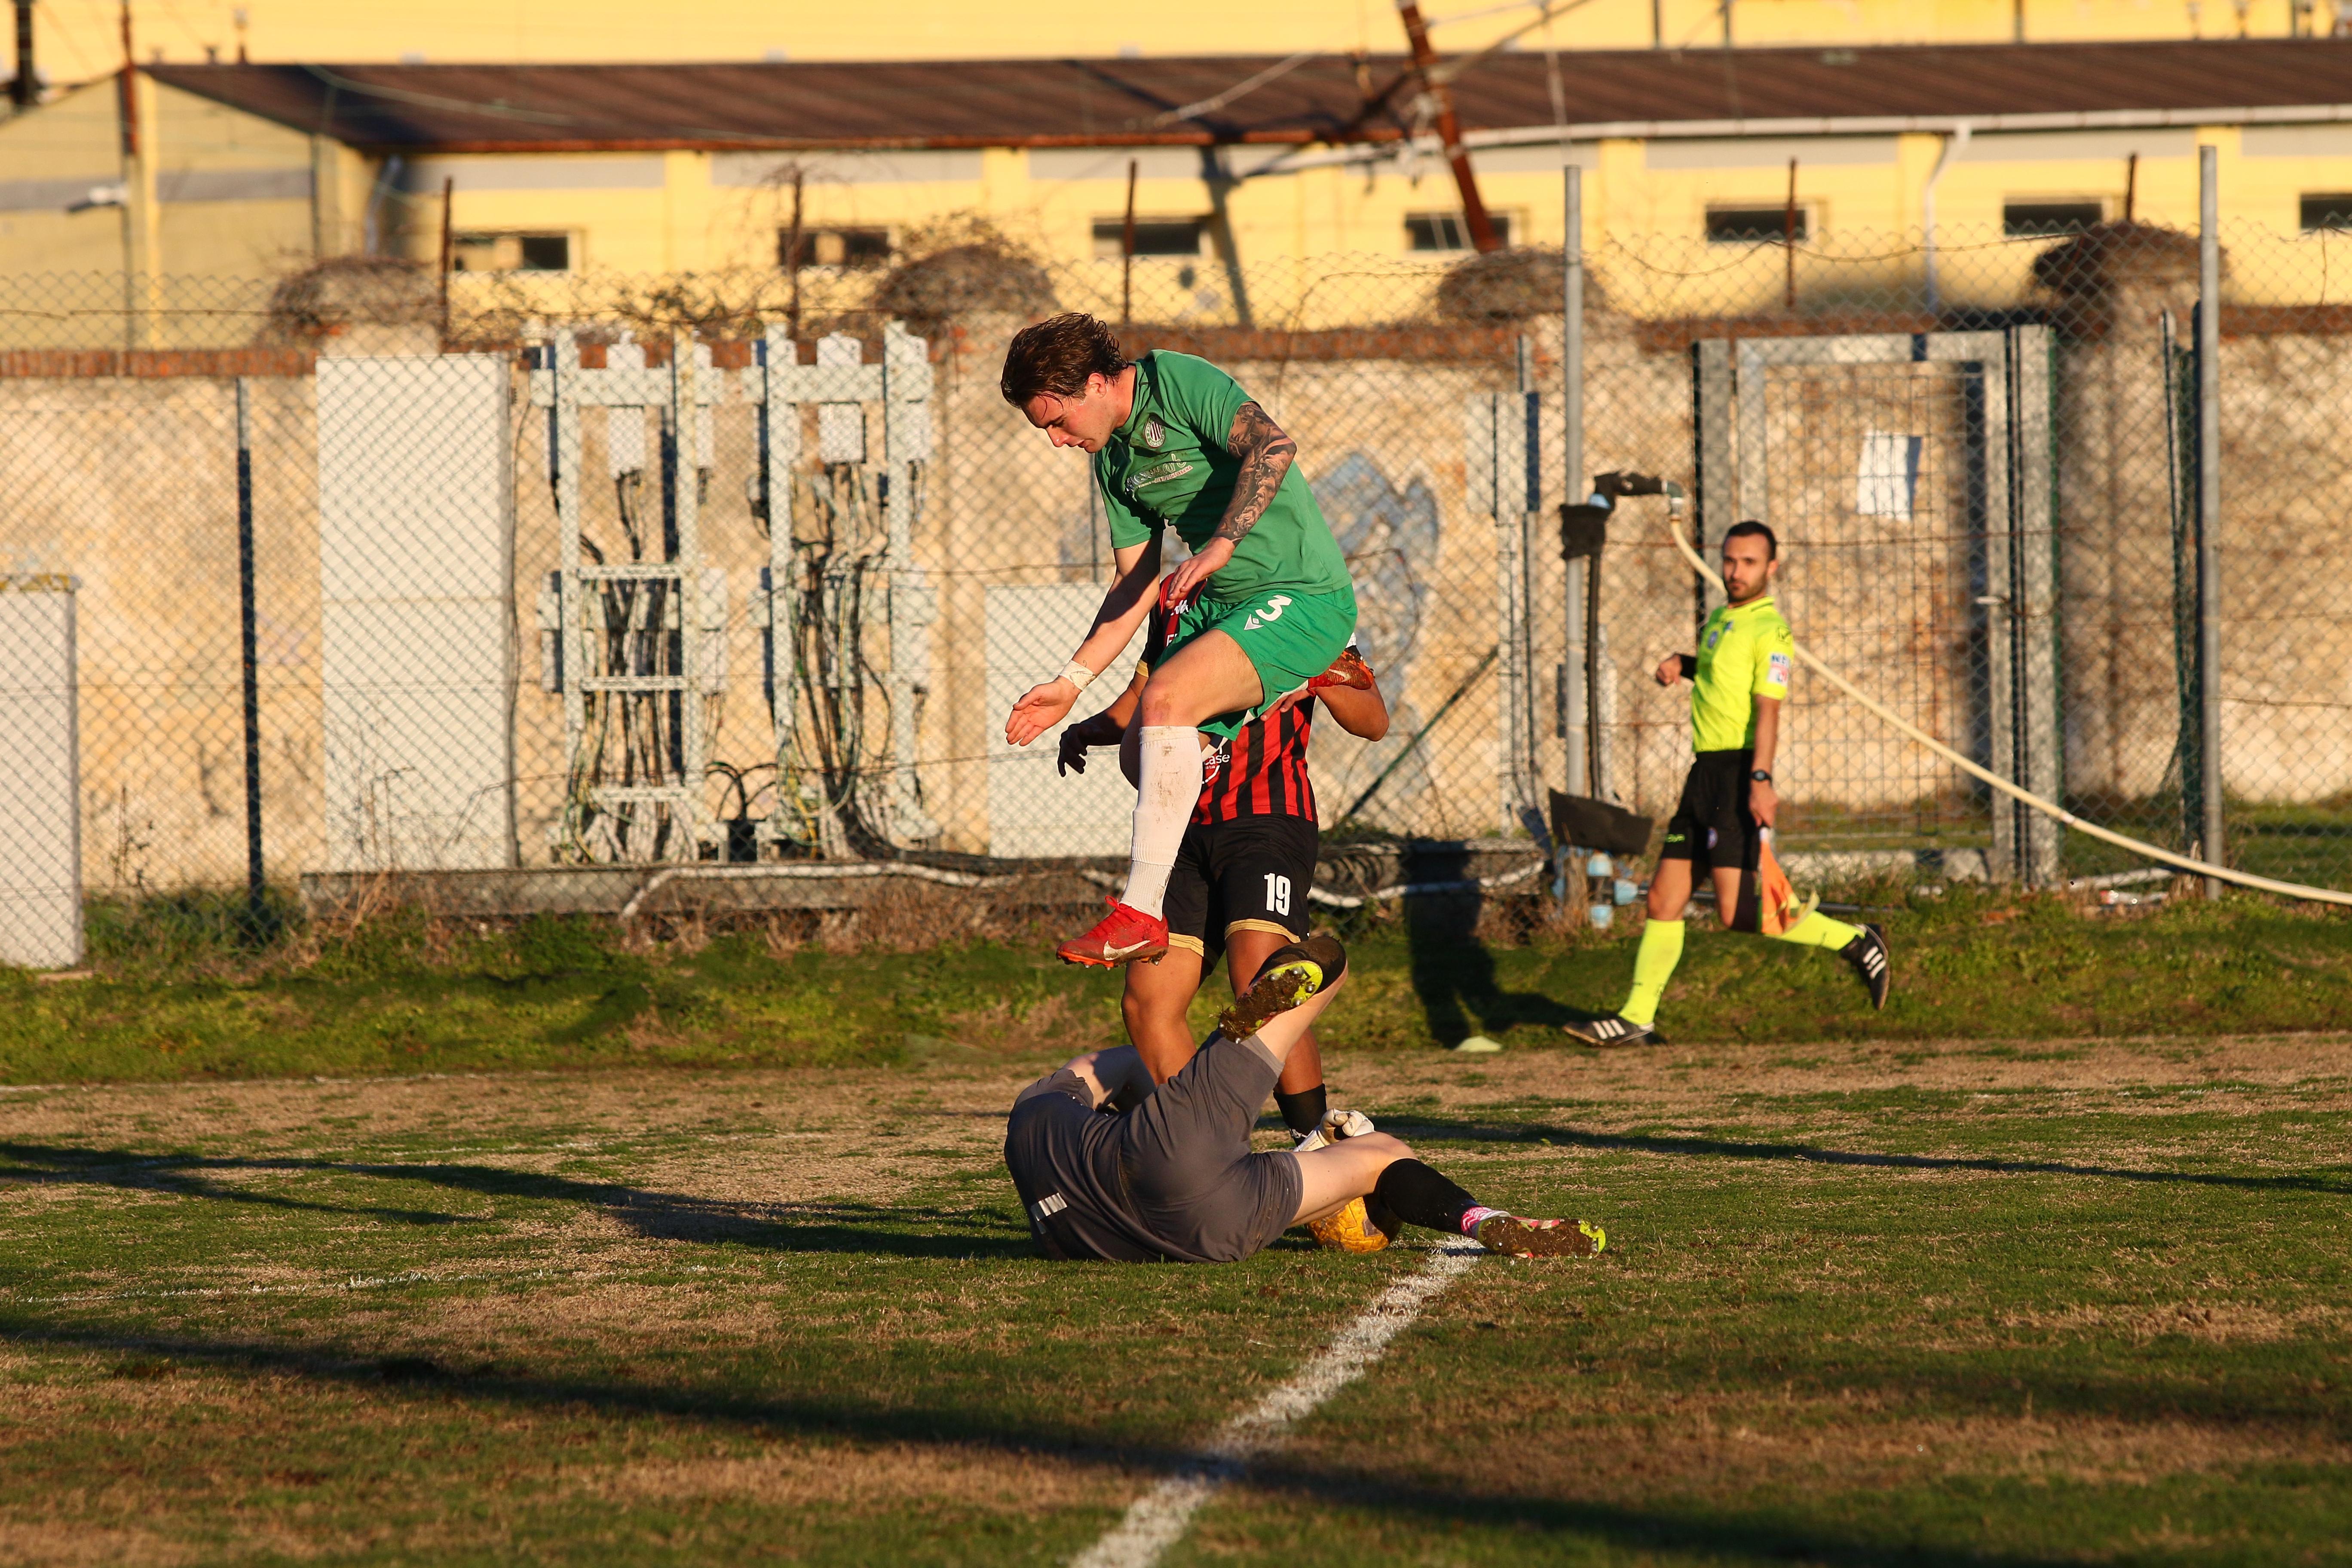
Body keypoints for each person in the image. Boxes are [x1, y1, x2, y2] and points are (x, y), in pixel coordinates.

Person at [999, 314, 1358, 969]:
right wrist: (1071, 683)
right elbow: (1134, 582)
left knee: (1165, 697)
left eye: (1056, 421)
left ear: (1096, 384)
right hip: (1222, 609)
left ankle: (1142, 912)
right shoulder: (1113, 458)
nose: (1055, 440)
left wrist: (1223, 544)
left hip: (1301, 593)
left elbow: (1273, 446)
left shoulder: (1176, 380)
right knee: (1140, 754)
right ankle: (1273, 948)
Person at [1003, 934, 1607, 1264]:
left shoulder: (1030, 1127)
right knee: (1329, 961)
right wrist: (1187, 1092)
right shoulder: (1034, 1114)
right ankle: (1477, 1219)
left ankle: (1243, 1062)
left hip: (1086, 1228)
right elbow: (1112, 1065)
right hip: (1195, 1199)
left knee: (1355, 1156)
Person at [1564, 521, 1891, 1049]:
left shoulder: (1772, 631)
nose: (1736, 571)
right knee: (1663, 900)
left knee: (1738, 913)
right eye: (1730, 560)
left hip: (1739, 775)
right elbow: (1723, 679)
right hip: (1704, 775)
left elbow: (1768, 710)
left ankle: (1855, 940)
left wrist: (1761, 779)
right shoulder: (1721, 618)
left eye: (1749, 562)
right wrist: (1684, 665)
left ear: (1771, 568)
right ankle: (1637, 1019)